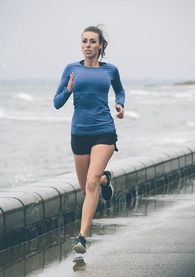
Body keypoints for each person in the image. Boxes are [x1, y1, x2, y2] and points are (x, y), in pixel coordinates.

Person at [53, 25, 125, 254]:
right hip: (79, 133)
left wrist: (120, 105)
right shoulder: (71, 69)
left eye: (93, 42)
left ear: (101, 45)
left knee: (90, 182)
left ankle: (82, 237)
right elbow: (56, 102)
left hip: (104, 130)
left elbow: (120, 91)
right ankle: (106, 180)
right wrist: (69, 89)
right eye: (84, 41)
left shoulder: (110, 70)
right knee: (87, 188)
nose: (88, 46)